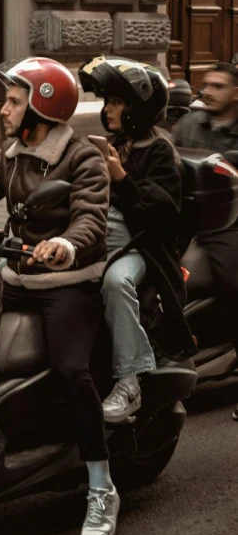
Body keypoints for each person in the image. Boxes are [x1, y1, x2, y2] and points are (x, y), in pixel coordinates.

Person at [0, 56, 119, 535]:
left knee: (72, 370)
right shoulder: (11, 153)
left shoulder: (82, 157)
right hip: (16, 274)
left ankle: (100, 485)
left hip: (66, 281)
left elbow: (90, 219)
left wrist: (65, 246)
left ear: (40, 109)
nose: (3, 109)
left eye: (12, 101)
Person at [79, 56, 197, 425]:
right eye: (107, 101)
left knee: (117, 283)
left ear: (139, 109)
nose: (108, 109)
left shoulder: (160, 151)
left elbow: (157, 217)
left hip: (141, 246)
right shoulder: (114, 145)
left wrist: (120, 177)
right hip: (101, 236)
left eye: (116, 102)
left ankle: (129, 383)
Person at [172, 62, 238, 410]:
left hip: (230, 222)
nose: (208, 91)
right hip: (187, 218)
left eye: (218, 86)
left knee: (234, 281)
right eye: (206, 85)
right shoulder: (189, 122)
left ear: (236, 93)